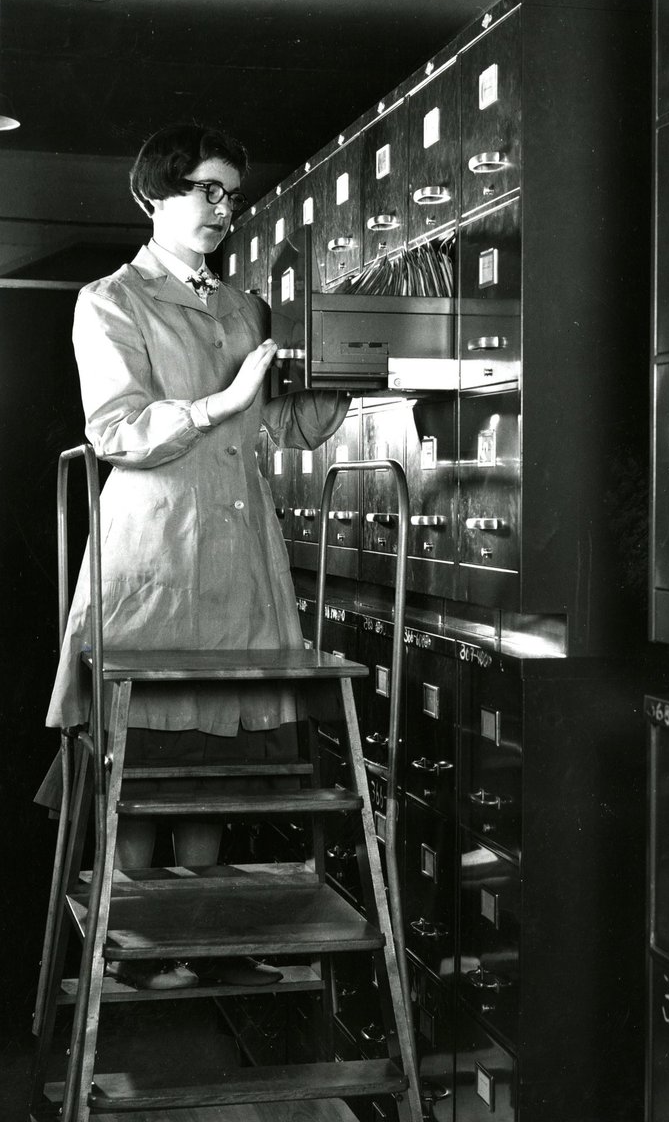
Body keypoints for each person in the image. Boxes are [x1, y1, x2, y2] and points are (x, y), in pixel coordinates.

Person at [42, 123, 349, 990]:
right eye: (204, 190)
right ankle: (139, 944)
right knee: (148, 756)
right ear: (155, 195)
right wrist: (221, 402)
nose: (223, 208)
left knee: (220, 755)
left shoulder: (246, 306)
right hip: (157, 556)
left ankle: (200, 929)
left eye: (230, 194)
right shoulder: (110, 301)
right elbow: (117, 430)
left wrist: (354, 378)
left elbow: (276, 423)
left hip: (240, 557)